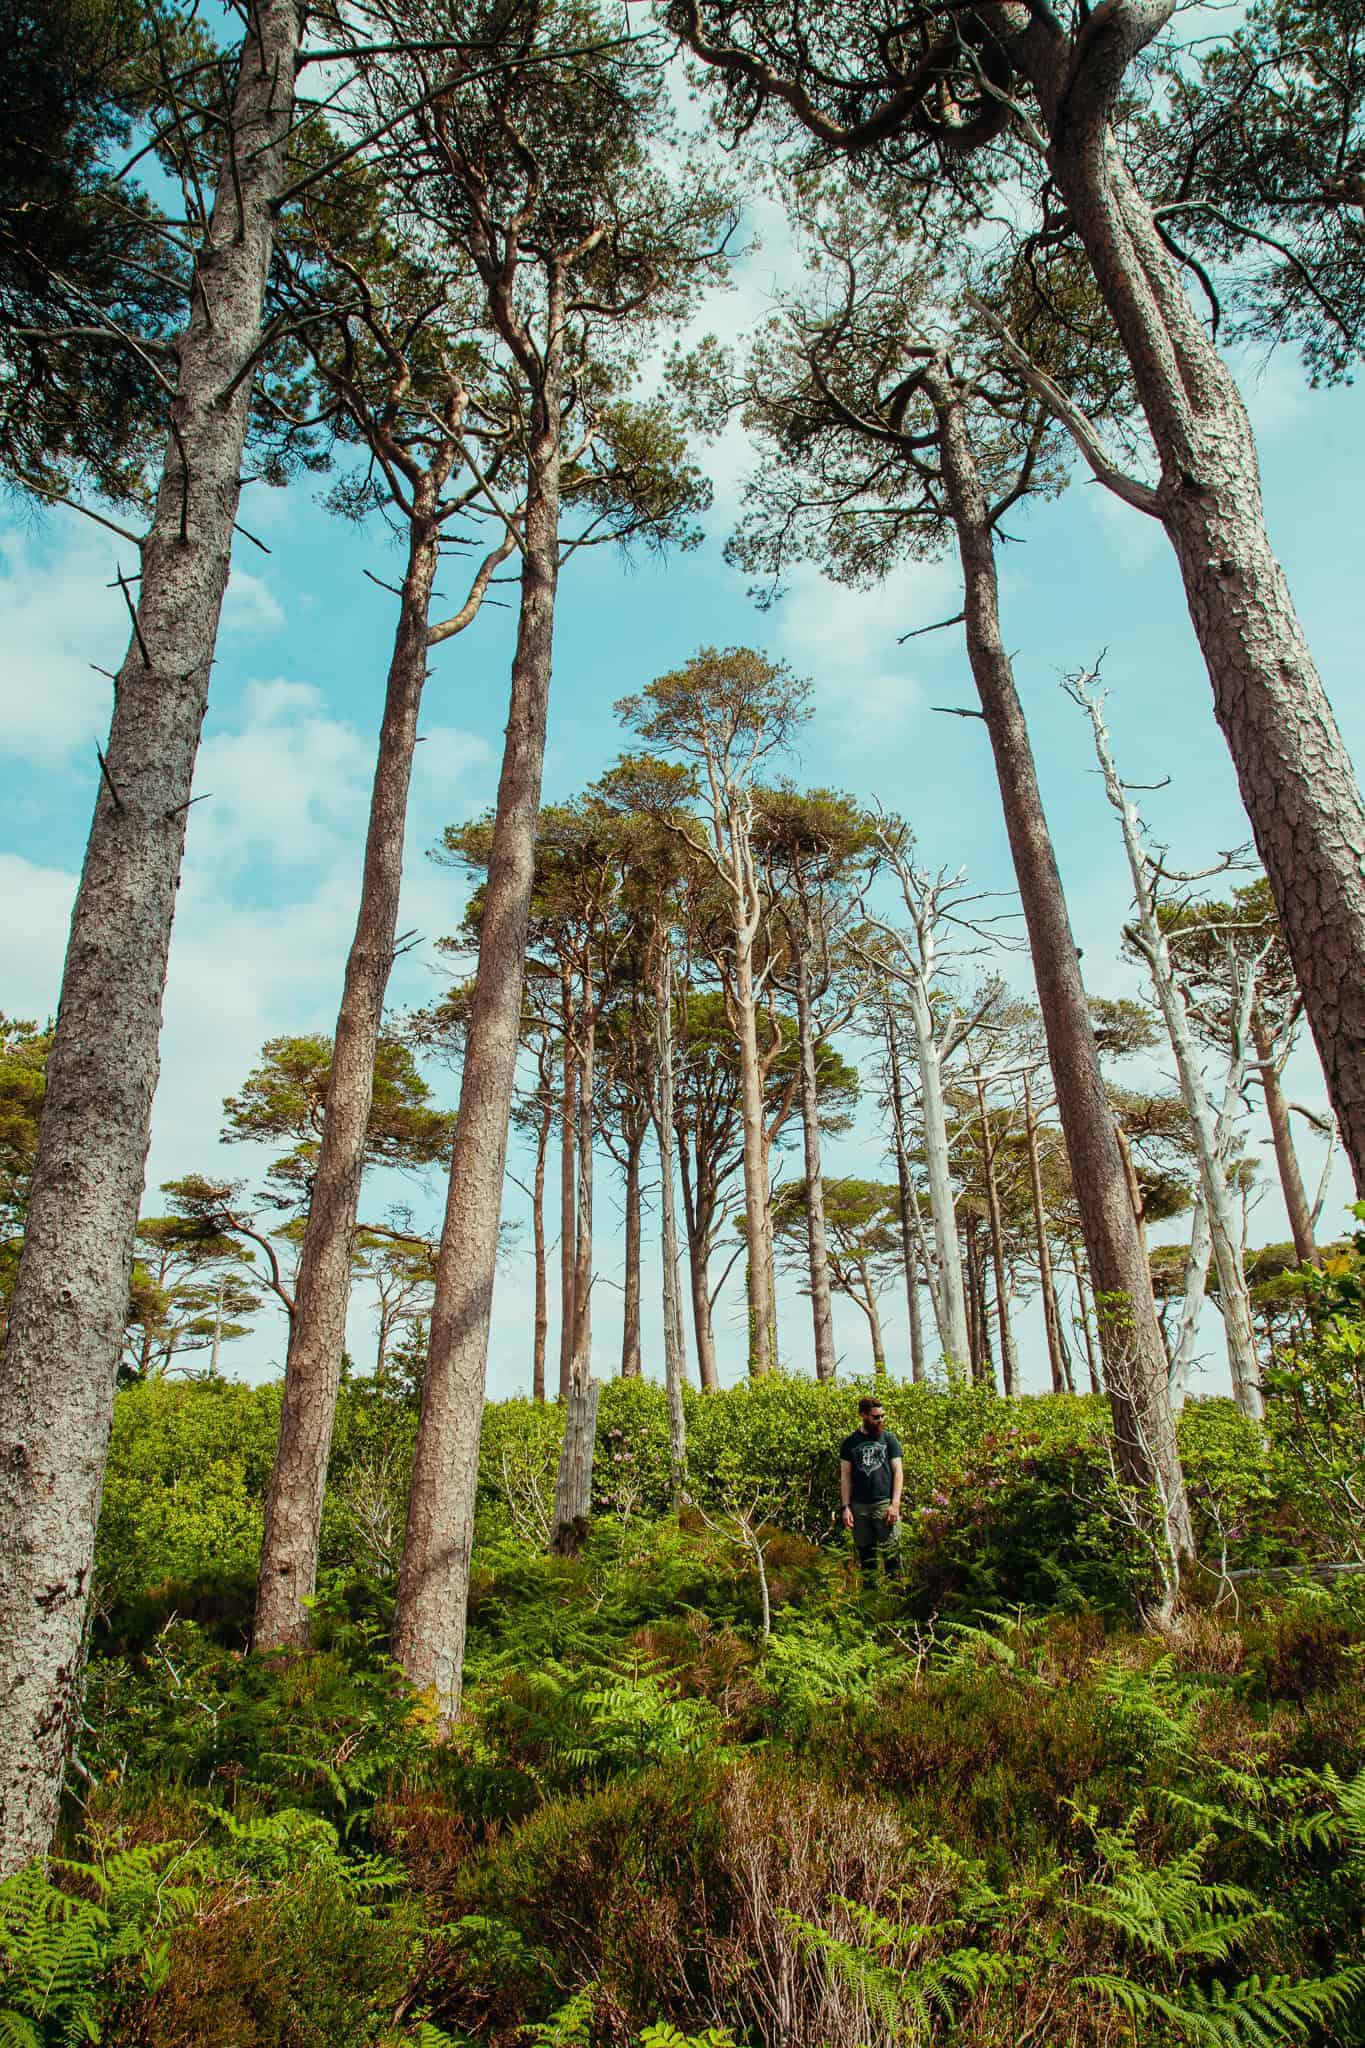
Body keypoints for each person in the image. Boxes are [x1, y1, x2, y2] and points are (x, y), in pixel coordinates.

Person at [840, 1395, 904, 1579]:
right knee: (867, 1561)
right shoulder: (850, 1443)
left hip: (885, 1505)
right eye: (876, 1417)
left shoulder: (889, 1440)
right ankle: (870, 1603)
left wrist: (895, 1504)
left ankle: (896, 1601)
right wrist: (845, 1507)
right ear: (863, 1415)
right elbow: (845, 1477)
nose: (880, 1420)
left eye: (882, 1416)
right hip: (859, 1507)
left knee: (893, 1560)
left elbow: (898, 1472)